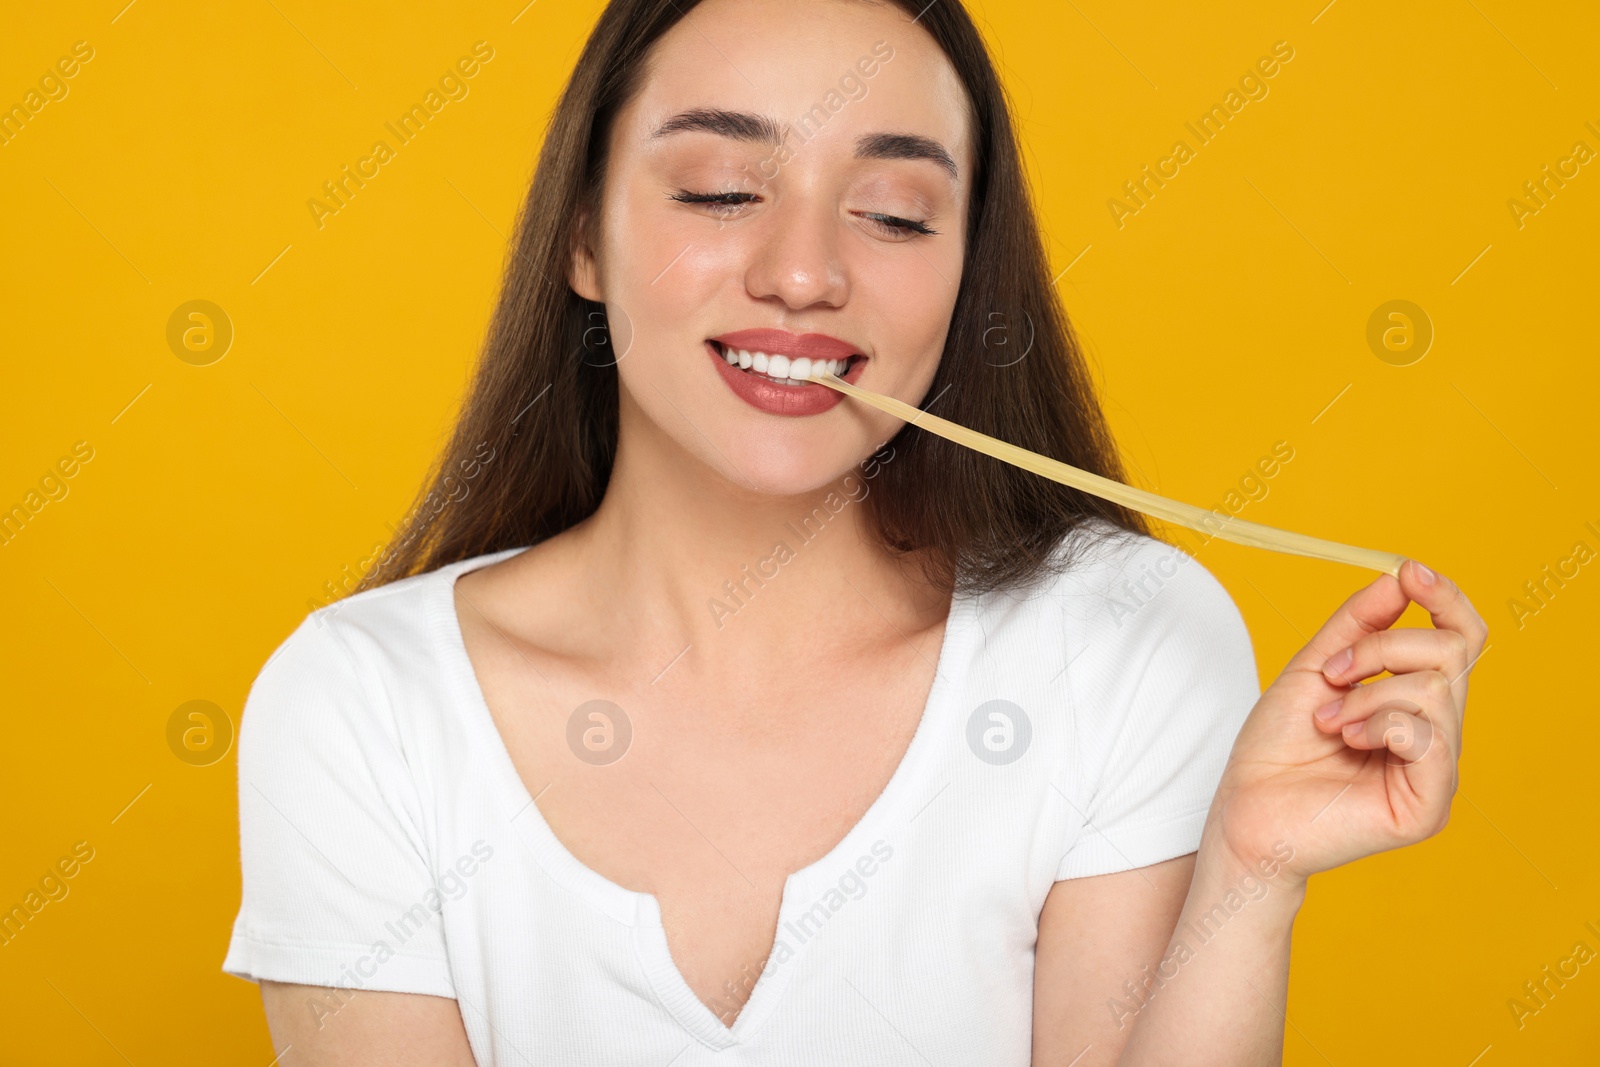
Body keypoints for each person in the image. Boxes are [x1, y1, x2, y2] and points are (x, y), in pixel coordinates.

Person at [221, 0, 1487, 1063]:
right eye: (720, 190)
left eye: (891, 212)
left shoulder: (1126, 639)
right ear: (581, 238)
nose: (804, 272)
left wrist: (1249, 877)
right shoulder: (362, 705)